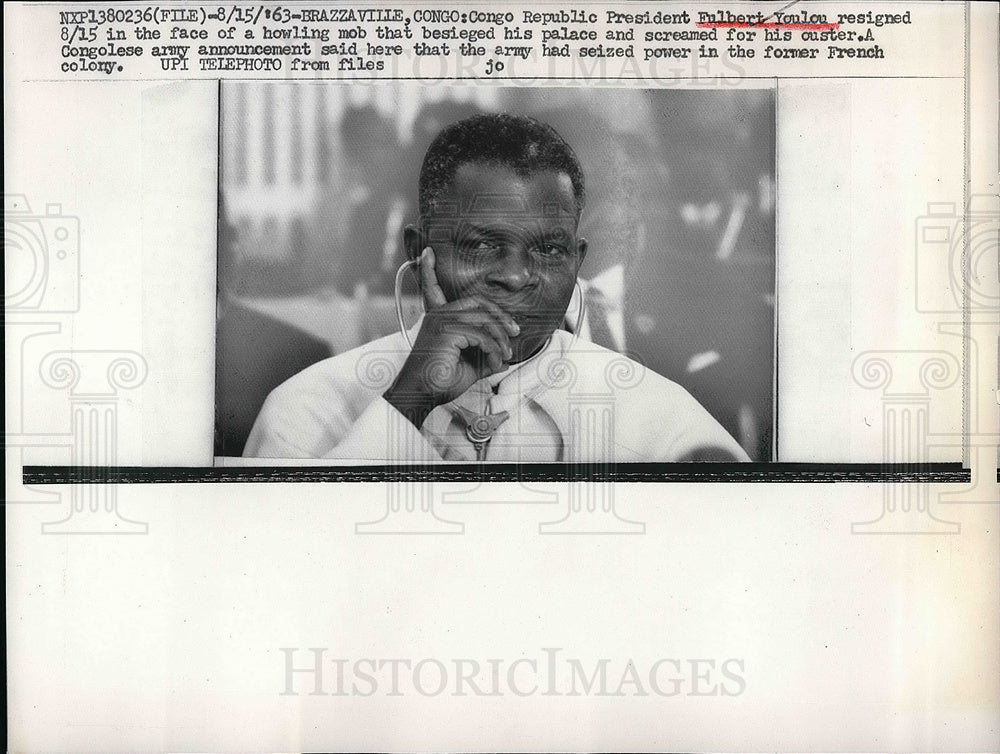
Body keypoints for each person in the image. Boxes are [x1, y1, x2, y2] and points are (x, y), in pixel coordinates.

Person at [244, 113, 748, 462]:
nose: (516, 275)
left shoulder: (661, 419)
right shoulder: (309, 408)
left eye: (549, 250)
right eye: (482, 246)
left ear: (577, 261)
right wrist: (408, 402)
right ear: (419, 250)